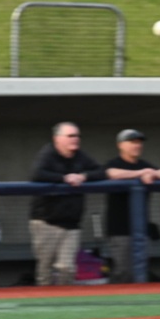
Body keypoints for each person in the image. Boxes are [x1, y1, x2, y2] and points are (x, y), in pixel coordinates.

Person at [29, 122, 107, 286]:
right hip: (46, 221)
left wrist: (83, 176)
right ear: (57, 139)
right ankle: (44, 306)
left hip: (71, 223)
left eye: (77, 136)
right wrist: (64, 178)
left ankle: (62, 302)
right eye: (70, 136)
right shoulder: (48, 153)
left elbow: (101, 172)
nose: (75, 139)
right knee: (45, 271)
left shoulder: (80, 156)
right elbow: (37, 173)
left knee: (67, 268)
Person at [103, 129, 160, 283]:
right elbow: (110, 173)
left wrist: (153, 173)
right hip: (119, 229)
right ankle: (116, 303)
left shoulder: (145, 165)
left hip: (141, 231)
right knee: (123, 271)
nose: (137, 145)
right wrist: (141, 173)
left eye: (139, 142)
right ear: (120, 145)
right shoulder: (115, 163)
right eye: (132, 142)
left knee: (140, 272)